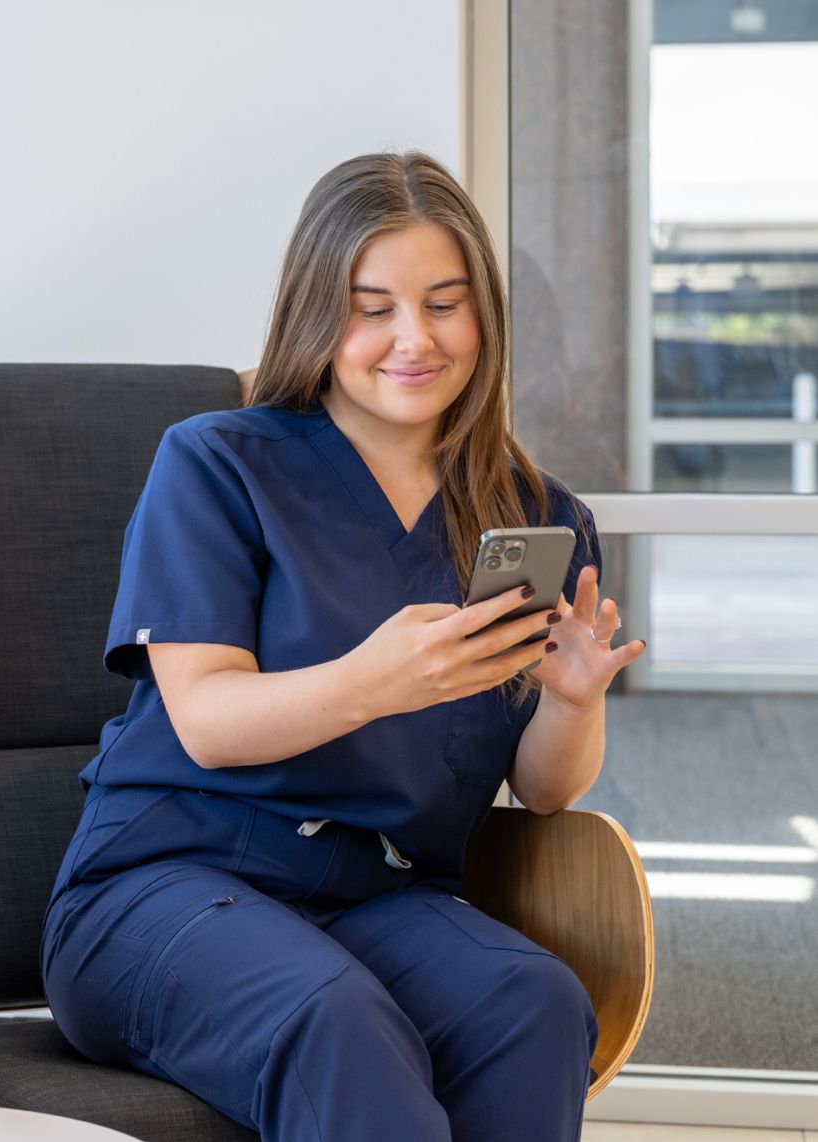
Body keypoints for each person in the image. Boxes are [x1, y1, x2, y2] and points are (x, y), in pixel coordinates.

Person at [40, 150, 646, 1141]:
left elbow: (543, 790)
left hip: (378, 897)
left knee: (533, 1004)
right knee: (335, 1019)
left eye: (445, 303)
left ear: (485, 318)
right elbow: (207, 723)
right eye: (374, 307)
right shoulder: (217, 464)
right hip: (164, 887)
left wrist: (574, 700)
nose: (414, 337)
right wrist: (376, 680)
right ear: (319, 316)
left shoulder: (536, 517)